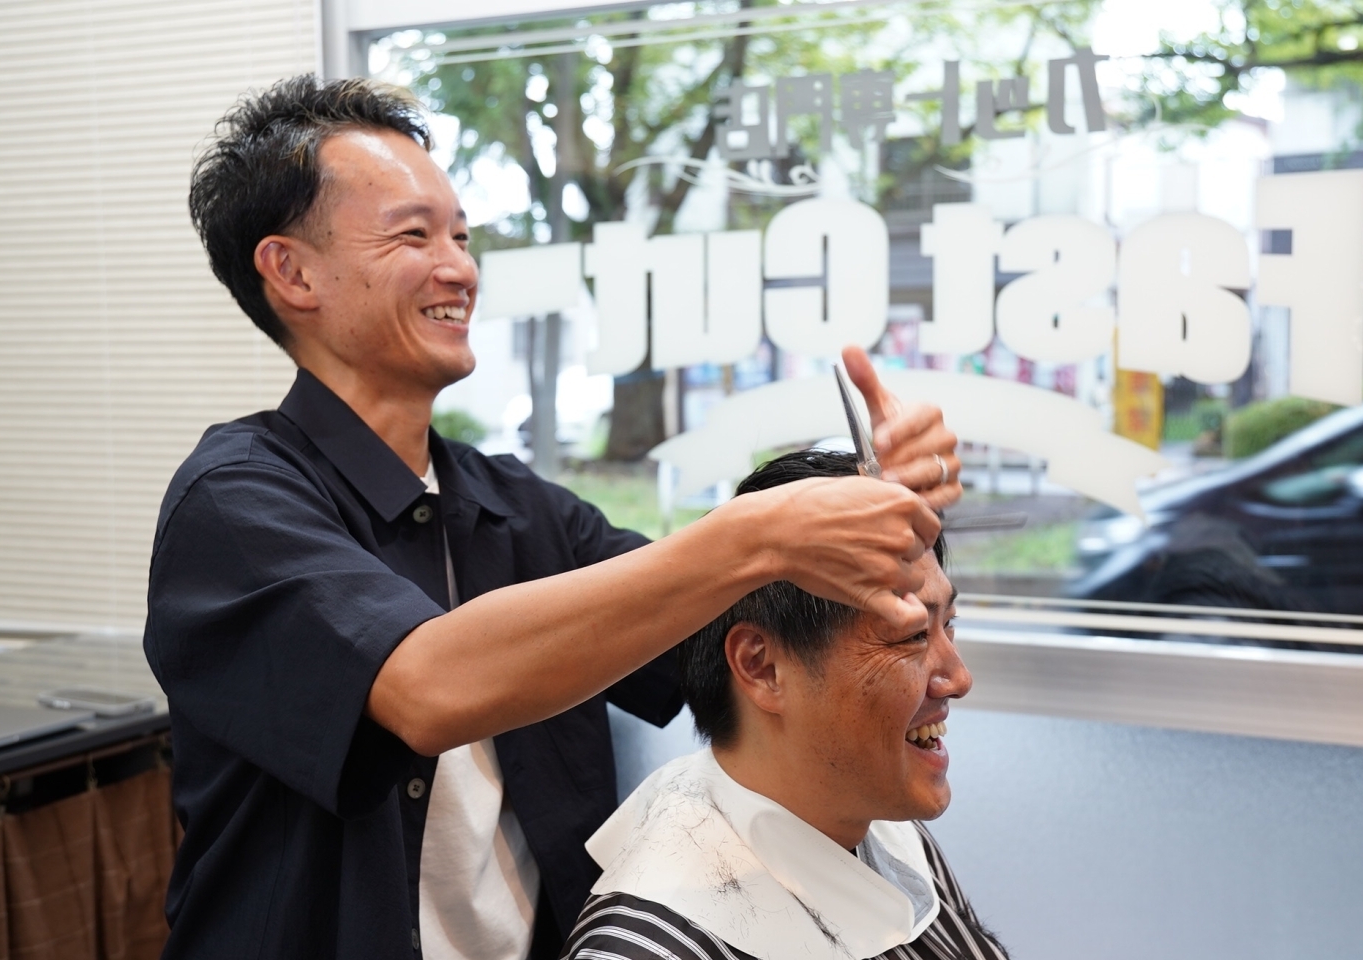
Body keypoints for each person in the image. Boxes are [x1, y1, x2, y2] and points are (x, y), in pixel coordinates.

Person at [146, 76, 962, 960]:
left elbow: (731, 649)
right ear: (291, 271)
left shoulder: (513, 507)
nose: (458, 266)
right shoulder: (232, 504)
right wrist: (761, 536)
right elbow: (425, 688)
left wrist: (869, 499)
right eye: (413, 234)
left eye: (461, 235)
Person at [563, 450, 1008, 960]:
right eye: (909, 636)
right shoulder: (648, 948)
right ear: (762, 666)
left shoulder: (887, 832)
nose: (958, 678)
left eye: (946, 624)